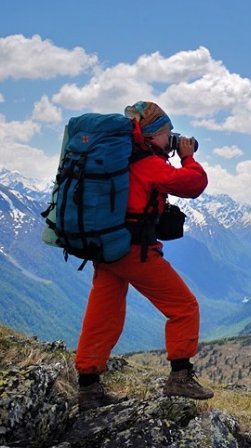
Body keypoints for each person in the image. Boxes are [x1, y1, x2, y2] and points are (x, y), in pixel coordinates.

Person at [75, 101, 214, 411]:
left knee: (103, 314)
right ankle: (180, 375)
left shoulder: (120, 160)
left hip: (107, 246)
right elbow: (194, 184)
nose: (172, 140)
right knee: (184, 306)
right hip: (134, 251)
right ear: (152, 135)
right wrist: (188, 157)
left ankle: (88, 387)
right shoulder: (148, 164)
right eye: (168, 134)